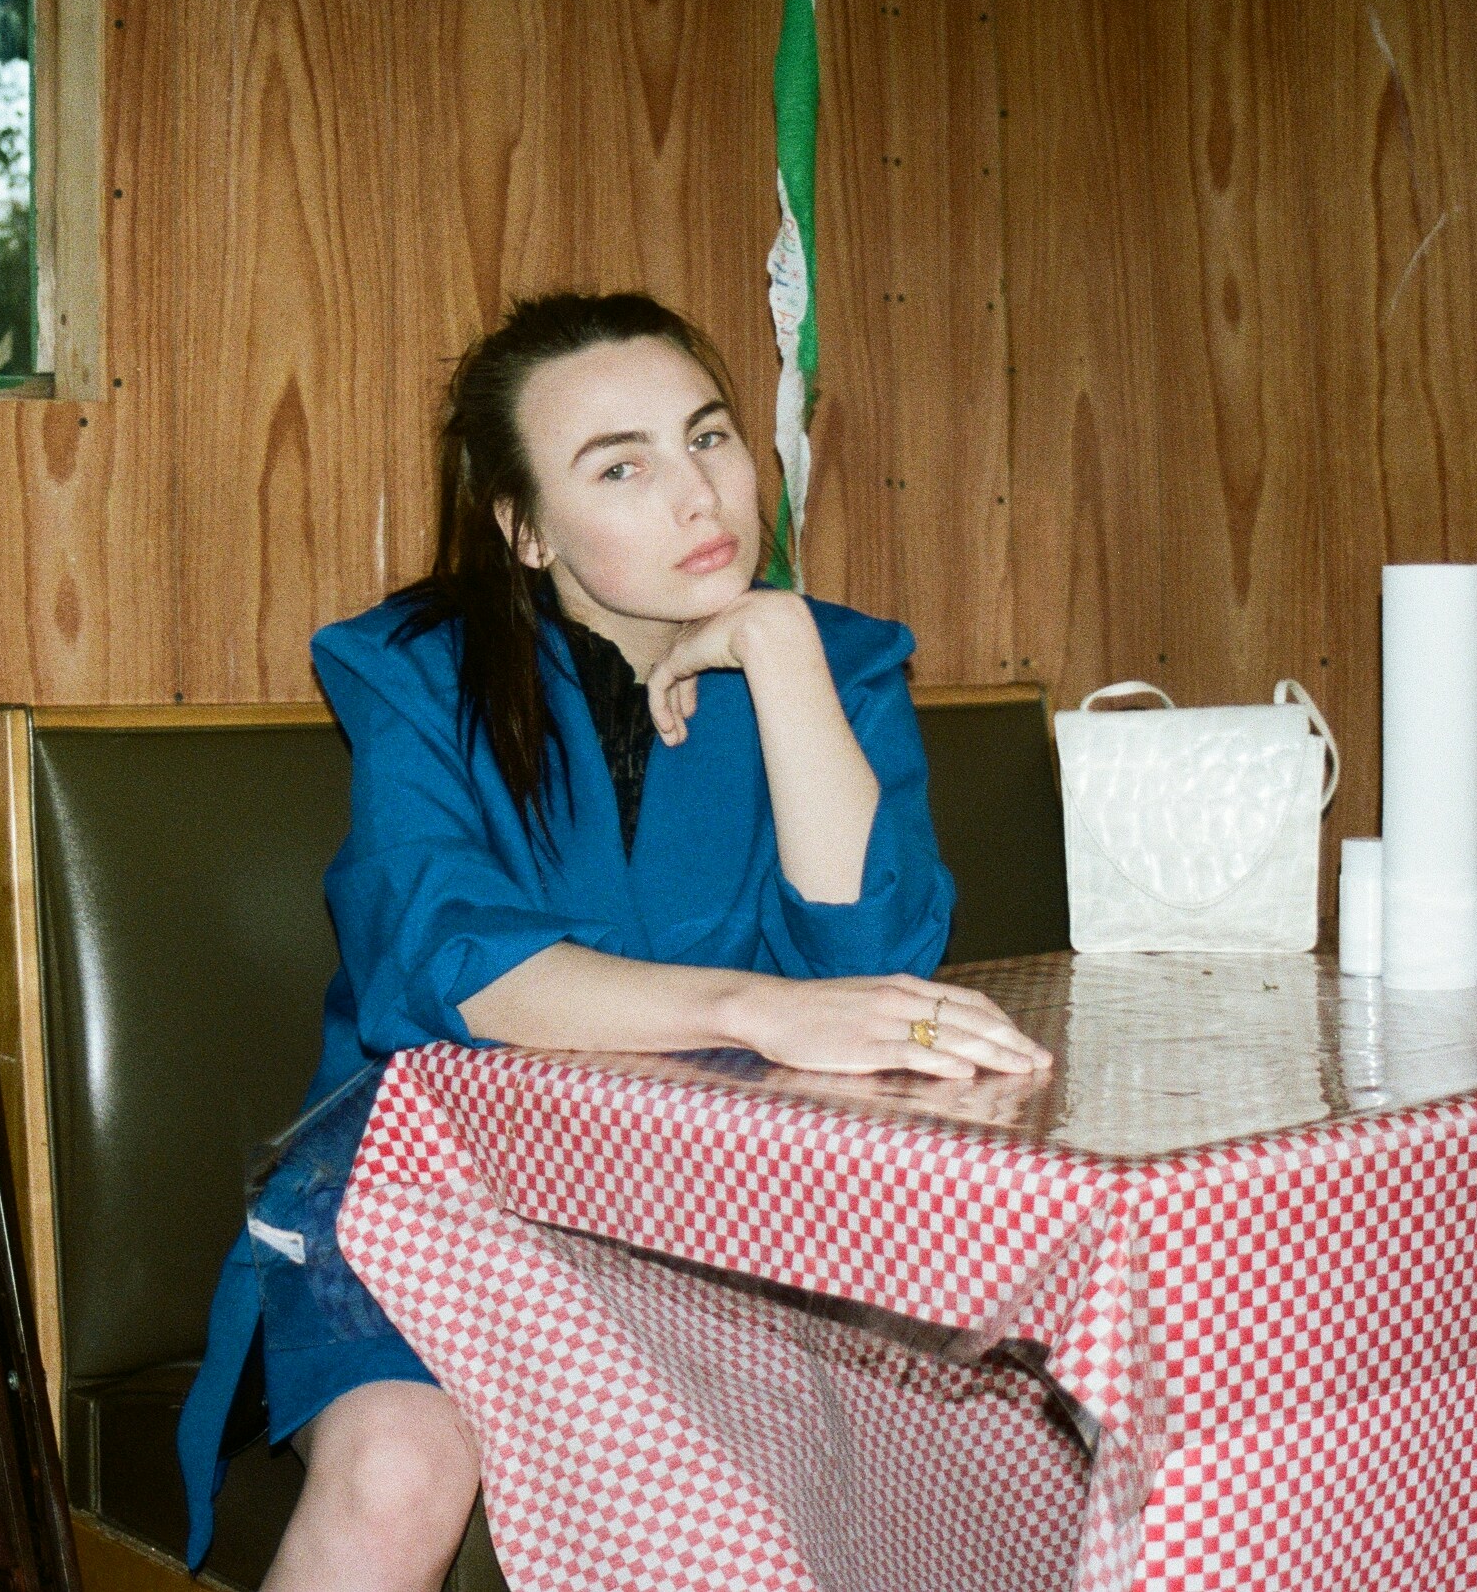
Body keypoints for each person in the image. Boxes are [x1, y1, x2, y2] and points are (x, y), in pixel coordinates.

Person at [175, 291, 1051, 1592]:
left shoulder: (839, 661)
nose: (697, 497)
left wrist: (775, 644)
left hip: (739, 1217)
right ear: (523, 528)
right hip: (430, 1201)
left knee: (1001, 1460)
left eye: (708, 439)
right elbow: (445, 958)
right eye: (621, 468)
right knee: (400, 1473)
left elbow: (875, 953)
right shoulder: (409, 668)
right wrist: (751, 1008)